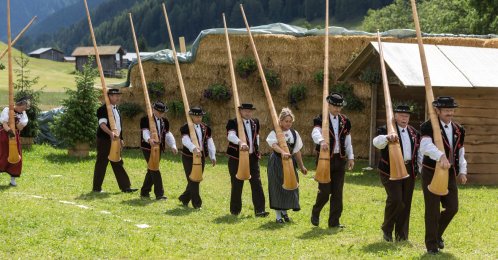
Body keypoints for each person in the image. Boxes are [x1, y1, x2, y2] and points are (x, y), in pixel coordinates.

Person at [419, 96, 467, 254]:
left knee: (452, 207)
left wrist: (462, 171)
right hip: (431, 172)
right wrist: (440, 156)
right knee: (432, 209)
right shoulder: (427, 126)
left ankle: (437, 234)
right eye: (447, 110)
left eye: (452, 110)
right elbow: (425, 146)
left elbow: (460, 151)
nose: (450, 113)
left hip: (450, 173)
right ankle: (431, 245)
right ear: (437, 111)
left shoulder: (459, 129)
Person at [372, 105, 420, 242]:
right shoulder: (385, 129)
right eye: (401, 115)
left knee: (406, 202)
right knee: (396, 199)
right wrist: (387, 137)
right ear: (395, 116)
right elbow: (376, 143)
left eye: (407, 116)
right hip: (389, 170)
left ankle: (402, 235)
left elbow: (419, 152)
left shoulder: (414, 132)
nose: (405, 118)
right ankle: (387, 229)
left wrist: (420, 169)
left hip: (409, 169)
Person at [310, 92, 354, 228]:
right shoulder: (320, 118)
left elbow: (348, 140)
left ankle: (334, 222)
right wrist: (321, 140)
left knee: (337, 193)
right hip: (324, 160)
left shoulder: (345, 121)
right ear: (329, 105)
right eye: (335, 106)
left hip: (339, 159)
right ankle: (316, 212)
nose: (337, 109)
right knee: (324, 192)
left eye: (339, 107)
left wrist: (351, 157)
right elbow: (315, 132)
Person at [226, 103, 269, 217]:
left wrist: (257, 149)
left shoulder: (255, 122)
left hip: (252, 158)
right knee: (237, 184)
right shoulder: (233, 122)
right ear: (240, 111)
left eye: (250, 111)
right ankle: (235, 211)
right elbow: (230, 136)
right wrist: (240, 142)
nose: (248, 113)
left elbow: (257, 137)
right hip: (237, 158)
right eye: (245, 111)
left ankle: (260, 210)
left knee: (257, 183)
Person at [266, 107, 307, 223]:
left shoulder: (294, 133)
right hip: (277, 162)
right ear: (280, 121)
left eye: (290, 121)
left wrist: (302, 166)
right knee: (277, 187)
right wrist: (283, 152)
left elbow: (297, 151)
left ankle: (285, 212)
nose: (288, 123)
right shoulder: (274, 132)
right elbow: (273, 145)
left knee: (290, 187)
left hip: (290, 163)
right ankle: (278, 215)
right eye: (286, 121)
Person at [92, 88, 137, 193]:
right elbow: (102, 124)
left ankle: (125, 187)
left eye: (119, 95)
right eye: (115, 95)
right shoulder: (102, 109)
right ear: (109, 97)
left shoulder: (117, 109)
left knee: (117, 162)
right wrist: (110, 133)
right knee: (102, 162)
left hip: (116, 140)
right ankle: (96, 188)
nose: (118, 97)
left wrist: (121, 138)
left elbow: (118, 126)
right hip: (104, 140)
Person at [179, 106, 216, 209]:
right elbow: (185, 140)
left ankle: (184, 198)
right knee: (192, 180)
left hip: (202, 157)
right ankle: (197, 204)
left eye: (200, 116)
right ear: (191, 116)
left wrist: (213, 155)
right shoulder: (185, 127)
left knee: (196, 179)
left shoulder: (206, 128)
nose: (199, 118)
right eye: (196, 117)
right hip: (188, 157)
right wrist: (194, 148)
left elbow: (210, 141)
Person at [139, 101, 177, 200]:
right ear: (153, 110)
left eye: (162, 112)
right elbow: (145, 132)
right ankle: (159, 194)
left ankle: (144, 191)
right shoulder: (145, 119)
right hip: (148, 148)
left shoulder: (165, 121)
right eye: (159, 112)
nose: (161, 114)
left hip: (159, 148)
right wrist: (149, 140)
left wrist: (173, 145)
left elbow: (168, 134)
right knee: (155, 169)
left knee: (151, 169)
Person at [0, 96, 30, 186]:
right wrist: (9, 130)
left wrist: (16, 120)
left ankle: (13, 180)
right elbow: (4, 123)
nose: (23, 109)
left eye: (25, 108)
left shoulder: (23, 114)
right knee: (2, 154)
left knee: (16, 157)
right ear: (19, 105)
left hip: (14, 136)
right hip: (4, 135)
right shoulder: (7, 109)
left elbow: (21, 127)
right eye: (22, 107)